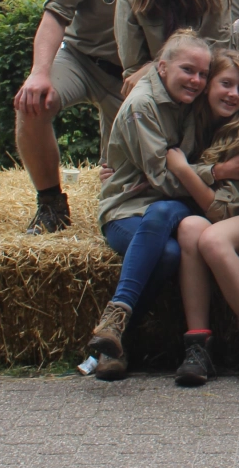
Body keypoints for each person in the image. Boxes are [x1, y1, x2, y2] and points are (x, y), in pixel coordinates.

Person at [15, 0, 174, 233]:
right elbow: (56, 14)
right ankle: (51, 204)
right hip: (84, 60)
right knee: (32, 105)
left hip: (141, 73)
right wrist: (39, 74)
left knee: (120, 189)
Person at [86, 30, 210, 381]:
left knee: (162, 213)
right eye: (188, 70)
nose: (197, 80)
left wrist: (187, 173)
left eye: (203, 73)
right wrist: (212, 174)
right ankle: (120, 326)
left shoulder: (191, 102)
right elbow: (167, 182)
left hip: (166, 208)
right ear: (162, 67)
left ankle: (115, 331)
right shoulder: (143, 105)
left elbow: (172, 179)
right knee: (168, 251)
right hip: (127, 209)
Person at [157, 49, 239, 386]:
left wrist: (183, 169)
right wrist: (214, 170)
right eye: (225, 83)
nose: (233, 94)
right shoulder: (191, 122)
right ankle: (198, 344)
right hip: (215, 217)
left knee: (211, 236)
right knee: (190, 228)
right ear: (207, 86)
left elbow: (222, 211)